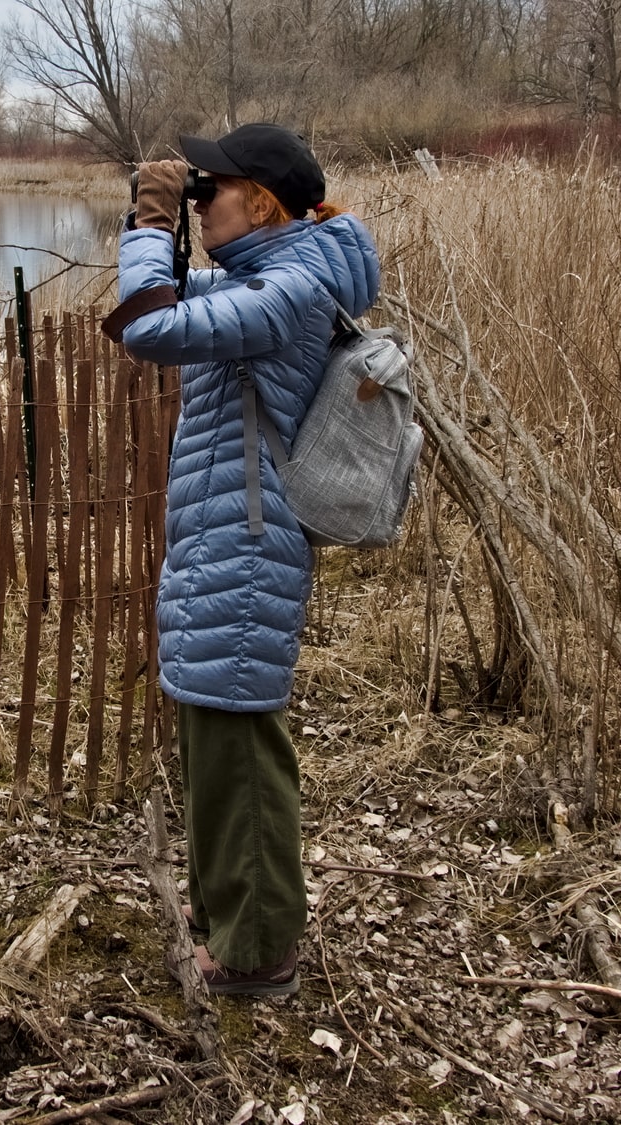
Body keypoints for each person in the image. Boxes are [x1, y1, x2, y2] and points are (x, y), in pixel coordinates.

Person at [103, 123, 381, 996]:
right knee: (209, 729)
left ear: (260, 199)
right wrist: (170, 232)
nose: (198, 202)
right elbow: (179, 311)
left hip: (249, 545)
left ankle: (260, 946)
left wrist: (150, 225)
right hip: (223, 533)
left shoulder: (293, 289)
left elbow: (148, 329)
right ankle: (223, 899)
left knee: (242, 746)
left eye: (208, 189)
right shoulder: (269, 275)